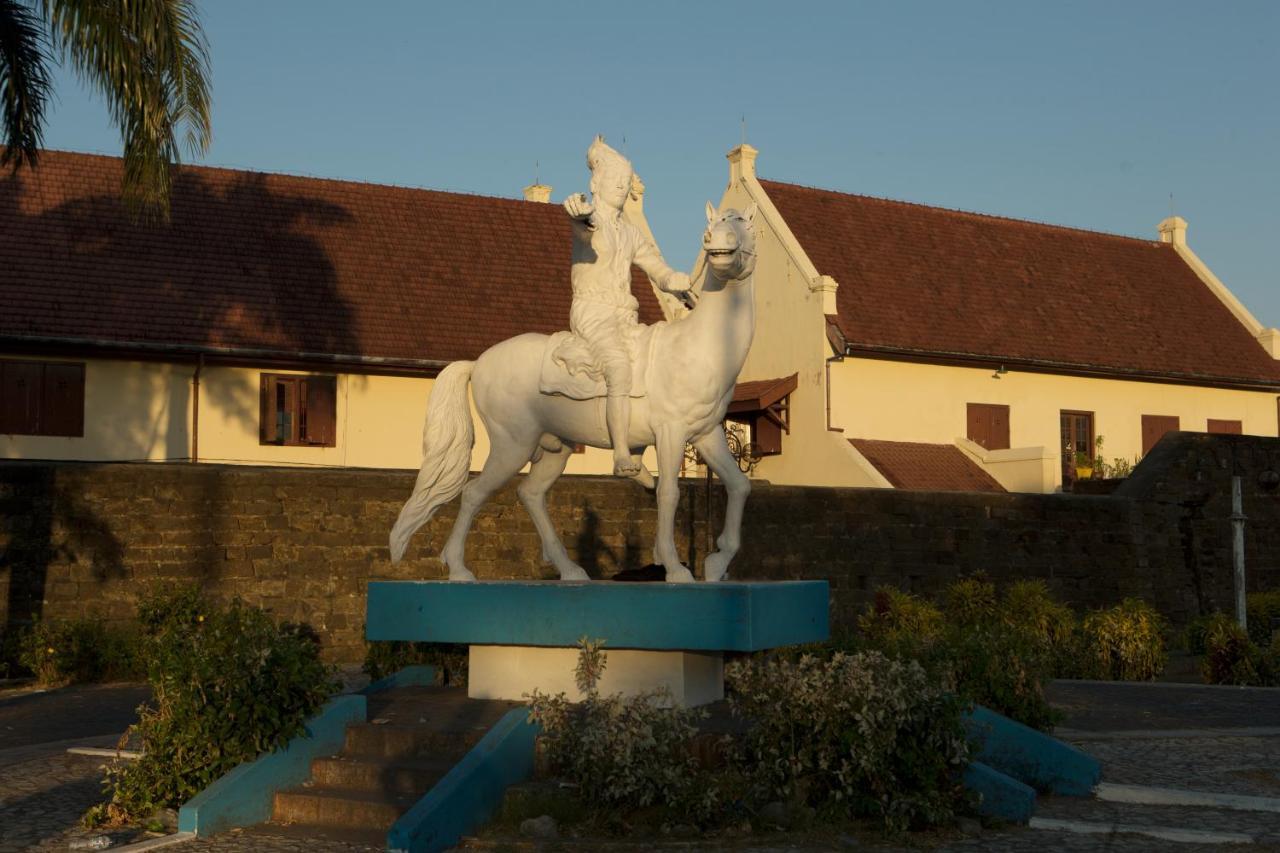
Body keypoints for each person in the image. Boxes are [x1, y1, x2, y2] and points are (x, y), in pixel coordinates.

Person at [563, 137, 691, 476]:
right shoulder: (591, 221)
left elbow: (655, 266)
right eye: (615, 181)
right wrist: (578, 213)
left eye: (626, 181)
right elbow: (583, 228)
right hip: (593, 312)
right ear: (596, 183)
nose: (622, 187)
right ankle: (621, 455)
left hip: (626, 316)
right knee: (619, 368)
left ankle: (637, 454)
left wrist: (674, 279)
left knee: (653, 368)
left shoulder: (631, 232)